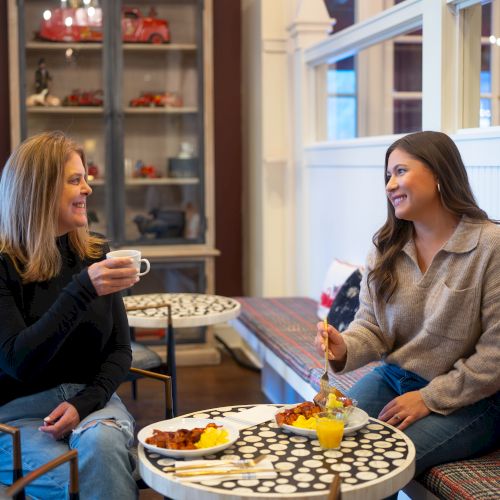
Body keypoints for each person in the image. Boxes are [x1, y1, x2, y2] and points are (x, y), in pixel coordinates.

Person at [315, 130, 500, 477]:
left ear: (440, 173)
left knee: (379, 462)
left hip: (473, 399)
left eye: (400, 171)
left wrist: (430, 398)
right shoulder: (386, 246)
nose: (389, 185)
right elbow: (371, 327)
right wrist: (343, 348)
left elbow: (495, 356)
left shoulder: (491, 245)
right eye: (387, 176)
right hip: (394, 378)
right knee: (328, 441)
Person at [0, 131, 140, 499]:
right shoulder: (3, 265)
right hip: (19, 418)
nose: (88, 189)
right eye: (76, 180)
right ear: (40, 191)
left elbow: (120, 350)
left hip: (93, 402)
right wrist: (81, 289)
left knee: (104, 452)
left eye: (86, 178)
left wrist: (84, 404)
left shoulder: (96, 252)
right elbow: (18, 362)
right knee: (78, 481)